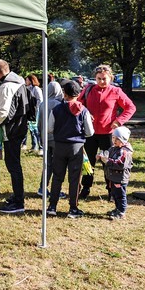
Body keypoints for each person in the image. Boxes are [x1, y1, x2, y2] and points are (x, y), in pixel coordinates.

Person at [77, 65, 136, 201]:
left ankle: (111, 190)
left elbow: (130, 107)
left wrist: (118, 121)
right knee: (88, 162)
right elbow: (79, 105)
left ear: (110, 78)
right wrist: (85, 114)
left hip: (108, 134)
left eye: (104, 79)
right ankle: (86, 188)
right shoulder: (88, 89)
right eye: (99, 79)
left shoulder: (116, 91)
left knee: (109, 163)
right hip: (90, 133)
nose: (101, 81)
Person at [45, 80, 93, 218]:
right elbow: (90, 132)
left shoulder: (56, 109)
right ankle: (73, 208)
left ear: (64, 94)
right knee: (74, 179)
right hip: (76, 147)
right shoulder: (84, 111)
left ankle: (52, 206)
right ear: (78, 94)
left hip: (59, 146)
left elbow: (49, 128)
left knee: (57, 177)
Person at [0, 59, 30, 214]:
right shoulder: (19, 81)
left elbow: (3, 112)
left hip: (12, 130)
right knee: (14, 164)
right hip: (19, 128)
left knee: (13, 165)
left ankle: (19, 201)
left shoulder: (6, 86)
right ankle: (17, 195)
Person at [98, 126, 133, 220]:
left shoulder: (125, 152)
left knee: (120, 195)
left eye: (117, 139)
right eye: (113, 138)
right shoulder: (113, 148)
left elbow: (120, 164)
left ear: (123, 139)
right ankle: (117, 208)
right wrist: (101, 156)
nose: (114, 140)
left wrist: (107, 161)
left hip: (120, 178)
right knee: (115, 194)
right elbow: (107, 154)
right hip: (113, 177)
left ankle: (121, 212)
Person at [36, 80, 64, 197]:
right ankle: (55, 190)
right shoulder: (60, 104)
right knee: (58, 164)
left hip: (45, 137)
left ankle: (42, 187)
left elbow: (39, 123)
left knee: (47, 164)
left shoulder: (43, 104)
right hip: (57, 138)